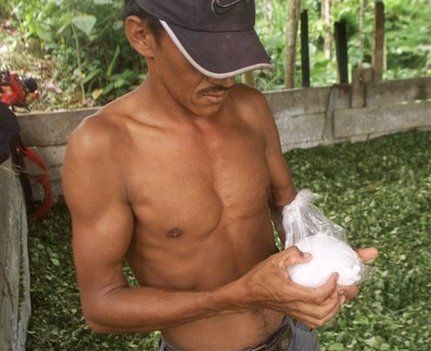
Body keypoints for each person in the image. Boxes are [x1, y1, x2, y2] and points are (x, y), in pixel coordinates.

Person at [62, 1, 378, 350]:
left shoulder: (250, 109)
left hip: (295, 339)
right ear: (142, 36)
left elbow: (287, 209)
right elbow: (101, 306)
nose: (225, 79)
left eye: (233, 56)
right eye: (205, 58)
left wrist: (327, 263)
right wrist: (234, 297)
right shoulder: (103, 146)